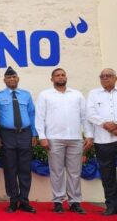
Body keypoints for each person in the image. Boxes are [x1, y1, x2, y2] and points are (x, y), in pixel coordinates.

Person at [35, 68, 93, 214]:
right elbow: (40, 117)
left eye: (62, 75)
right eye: (57, 75)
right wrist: (42, 136)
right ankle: (58, 201)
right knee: (57, 171)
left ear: (66, 77)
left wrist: (89, 135)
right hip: (54, 138)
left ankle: (75, 202)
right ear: (52, 79)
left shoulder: (77, 95)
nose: (60, 77)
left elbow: (84, 117)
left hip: (75, 138)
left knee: (75, 171)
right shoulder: (45, 95)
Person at [0, 66, 37, 213]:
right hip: (7, 135)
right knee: (10, 168)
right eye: (9, 77)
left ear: (18, 79)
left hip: (24, 133)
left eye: (14, 77)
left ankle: (24, 200)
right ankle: (13, 200)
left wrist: (34, 134)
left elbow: (32, 115)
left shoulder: (26, 95)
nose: (12, 79)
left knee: (25, 168)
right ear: (4, 80)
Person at [86, 68, 117, 216]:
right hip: (103, 141)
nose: (105, 78)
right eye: (102, 76)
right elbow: (90, 114)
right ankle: (111, 206)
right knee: (107, 174)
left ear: (115, 78)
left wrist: (115, 125)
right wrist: (107, 125)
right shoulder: (93, 94)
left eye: (108, 76)